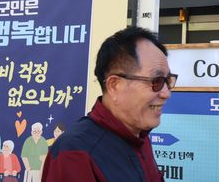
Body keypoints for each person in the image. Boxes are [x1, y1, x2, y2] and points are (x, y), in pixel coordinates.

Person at [42, 26, 177, 181]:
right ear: (114, 85)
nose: (166, 93)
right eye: (157, 81)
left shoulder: (140, 138)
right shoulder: (75, 153)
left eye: (167, 81)